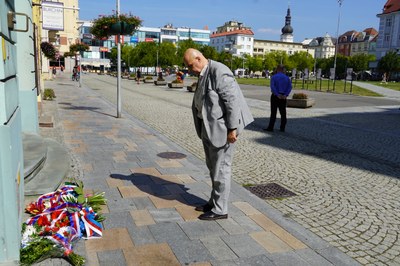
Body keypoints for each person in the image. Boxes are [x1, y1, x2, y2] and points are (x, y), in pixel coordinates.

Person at [183, 48, 254, 221]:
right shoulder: (204, 72)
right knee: (213, 168)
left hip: (223, 130)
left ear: (199, 59)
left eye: (191, 65)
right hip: (209, 128)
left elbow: (232, 102)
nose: (190, 70)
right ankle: (213, 201)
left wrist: (232, 129)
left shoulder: (219, 71)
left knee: (221, 170)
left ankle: (220, 209)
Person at [265, 64, 292, 132]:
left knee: (273, 112)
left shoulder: (274, 77)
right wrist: (286, 95)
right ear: (283, 70)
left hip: (275, 96)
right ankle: (282, 128)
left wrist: (277, 94)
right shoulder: (287, 78)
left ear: (277, 69)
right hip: (283, 96)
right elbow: (289, 87)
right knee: (283, 113)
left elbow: (272, 86)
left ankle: (271, 127)